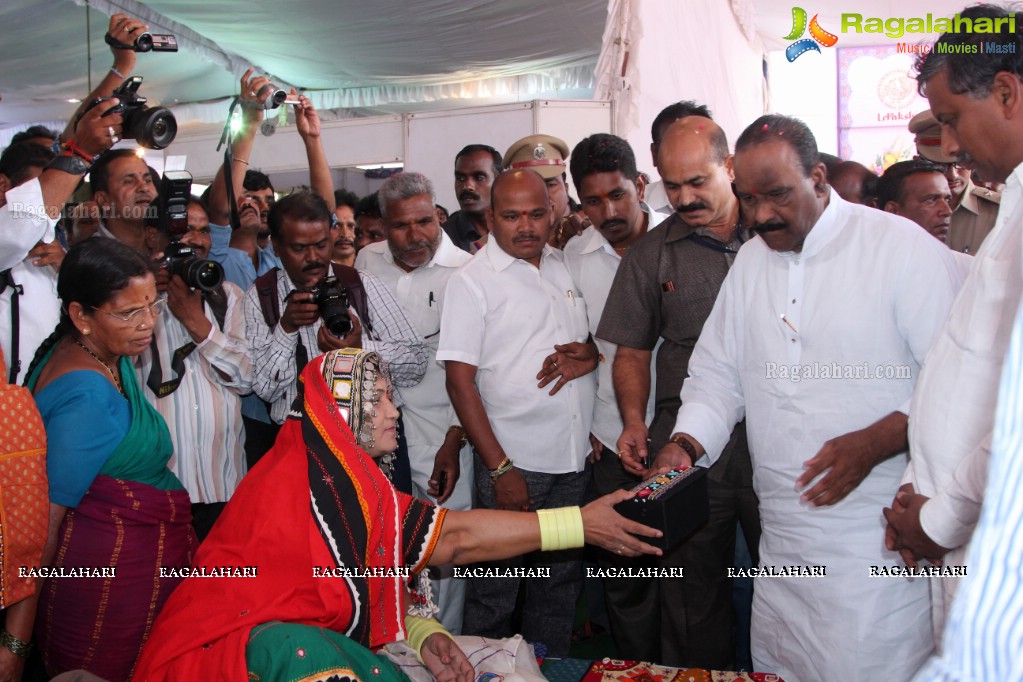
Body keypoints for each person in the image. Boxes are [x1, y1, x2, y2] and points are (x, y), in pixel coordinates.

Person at [627, 114, 961, 682]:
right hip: (782, 544)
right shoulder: (753, 262)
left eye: (778, 194)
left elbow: (957, 384)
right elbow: (717, 376)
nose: (760, 215)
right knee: (781, 669)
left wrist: (875, 442)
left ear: (820, 179)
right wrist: (685, 444)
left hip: (876, 540)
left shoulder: (898, 249)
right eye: (748, 198)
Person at [131, 348, 663, 681]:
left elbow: (362, 577)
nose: (393, 411)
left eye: (390, 396)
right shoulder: (312, 481)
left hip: (286, 642)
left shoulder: (326, 465)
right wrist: (579, 523)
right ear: (342, 416)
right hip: (229, 657)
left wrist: (423, 630)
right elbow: (453, 540)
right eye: (377, 400)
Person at [883, 2, 1023, 649]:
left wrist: (940, 517)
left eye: (950, 120)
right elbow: (966, 365)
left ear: (1005, 93)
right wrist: (923, 485)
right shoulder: (1011, 209)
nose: (949, 147)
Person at [596, 114, 759, 667]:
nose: (685, 197)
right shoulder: (653, 254)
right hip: (686, 448)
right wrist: (635, 423)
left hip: (779, 443)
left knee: (790, 581)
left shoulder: (774, 231)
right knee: (692, 594)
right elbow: (633, 352)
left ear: (729, 166)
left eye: (699, 182)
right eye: (673, 185)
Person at [439, 170, 598, 656]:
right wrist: (500, 468)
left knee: (557, 589)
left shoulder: (563, 265)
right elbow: (459, 380)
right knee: (496, 595)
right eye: (511, 216)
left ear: (552, 213)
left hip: (572, 461)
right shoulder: (471, 282)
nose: (525, 226)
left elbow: (585, 345)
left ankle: (547, 670)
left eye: (535, 214)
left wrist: (590, 356)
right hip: (514, 465)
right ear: (490, 218)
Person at [24, 239, 196, 681]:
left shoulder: (96, 354)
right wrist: (13, 641)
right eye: (128, 313)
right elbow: (45, 521)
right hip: (107, 584)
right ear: (80, 315)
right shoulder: (88, 393)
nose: (148, 324)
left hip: (121, 566)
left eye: (152, 306)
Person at [355, 172, 472, 632]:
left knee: (444, 555)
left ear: (438, 214)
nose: (416, 235)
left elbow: (478, 374)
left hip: (442, 439)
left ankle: (452, 649)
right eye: (402, 226)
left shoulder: (464, 272)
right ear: (384, 225)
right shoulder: (367, 261)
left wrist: (454, 441)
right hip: (377, 439)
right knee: (384, 548)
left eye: (425, 221)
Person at [561, 133, 659, 659]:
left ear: (640, 185)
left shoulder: (682, 241)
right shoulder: (573, 261)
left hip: (693, 429)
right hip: (613, 439)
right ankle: (636, 668)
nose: (608, 210)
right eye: (593, 200)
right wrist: (591, 427)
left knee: (693, 571)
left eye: (618, 194)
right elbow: (579, 351)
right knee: (625, 574)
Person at [245, 189, 428, 446]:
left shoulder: (360, 284)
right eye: (299, 248)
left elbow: (417, 363)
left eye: (321, 245)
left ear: (331, 236)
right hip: (300, 445)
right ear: (276, 246)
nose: (313, 258)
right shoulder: (262, 296)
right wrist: (286, 328)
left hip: (371, 442)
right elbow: (265, 389)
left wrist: (360, 349)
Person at [139, 199, 252, 540]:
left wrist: (194, 319)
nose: (199, 241)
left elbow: (246, 378)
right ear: (153, 237)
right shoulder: (133, 300)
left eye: (204, 231)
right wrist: (148, 294)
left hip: (225, 484)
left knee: (220, 589)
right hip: (158, 489)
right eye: (188, 229)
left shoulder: (227, 295)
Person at [909, 109, 1001, 254]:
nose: (952, 175)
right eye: (940, 165)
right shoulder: (904, 209)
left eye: (961, 163)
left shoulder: (999, 212)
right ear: (919, 162)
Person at [503, 135, 584, 249]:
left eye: (550, 185)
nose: (543, 195)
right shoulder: (498, 246)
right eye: (531, 186)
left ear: (566, 189)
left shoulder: (587, 233)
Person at [89, 150, 158, 255]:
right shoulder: (91, 257)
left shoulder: (167, 244)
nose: (144, 188)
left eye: (147, 180)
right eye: (129, 181)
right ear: (103, 200)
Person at [443, 144, 501, 253]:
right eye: (460, 178)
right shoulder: (444, 239)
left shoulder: (515, 228)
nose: (467, 186)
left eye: (479, 178)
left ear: (499, 181)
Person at [332, 188, 360, 267]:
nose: (345, 234)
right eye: (336, 226)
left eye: (351, 226)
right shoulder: (316, 273)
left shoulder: (370, 268)